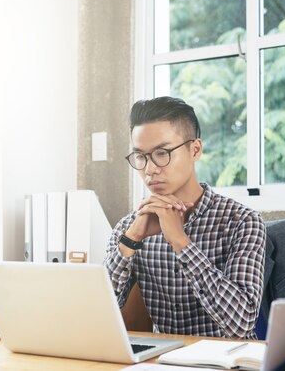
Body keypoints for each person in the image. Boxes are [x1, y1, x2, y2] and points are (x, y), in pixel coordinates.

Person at [104, 96, 266, 339]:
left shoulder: (243, 222)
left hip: (227, 362)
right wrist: (131, 239)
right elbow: (100, 313)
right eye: (140, 156)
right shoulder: (129, 228)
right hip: (164, 361)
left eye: (161, 153)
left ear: (195, 150)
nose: (149, 169)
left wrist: (180, 241)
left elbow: (241, 323)